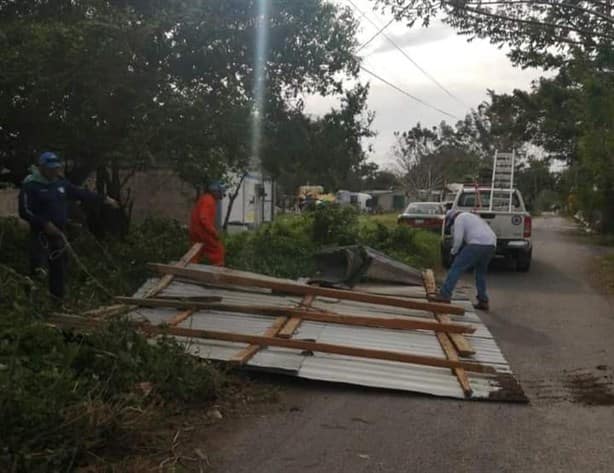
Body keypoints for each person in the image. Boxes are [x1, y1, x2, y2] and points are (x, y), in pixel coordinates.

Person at [18, 151, 118, 300]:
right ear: (41, 168)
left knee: (59, 270)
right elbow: (24, 211)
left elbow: (80, 193)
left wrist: (104, 199)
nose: (54, 171)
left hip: (59, 234)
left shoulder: (60, 183)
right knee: (39, 270)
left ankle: (57, 302)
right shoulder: (31, 185)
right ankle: (34, 304)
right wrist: (44, 224)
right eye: (50, 168)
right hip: (40, 236)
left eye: (56, 168)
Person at [433, 210, 497, 311]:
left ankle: (445, 295)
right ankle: (483, 300)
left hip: (477, 244)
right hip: (491, 244)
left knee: (456, 268)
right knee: (480, 272)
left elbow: (458, 239)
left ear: (452, 218)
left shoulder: (459, 218)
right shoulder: (472, 217)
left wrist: (453, 252)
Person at [189, 181, 225, 266]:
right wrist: (213, 232)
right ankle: (218, 272)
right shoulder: (209, 200)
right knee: (218, 250)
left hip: (195, 231)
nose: (222, 194)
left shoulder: (204, 198)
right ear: (216, 191)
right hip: (203, 232)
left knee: (196, 252)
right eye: (221, 191)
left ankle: (191, 269)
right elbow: (204, 219)